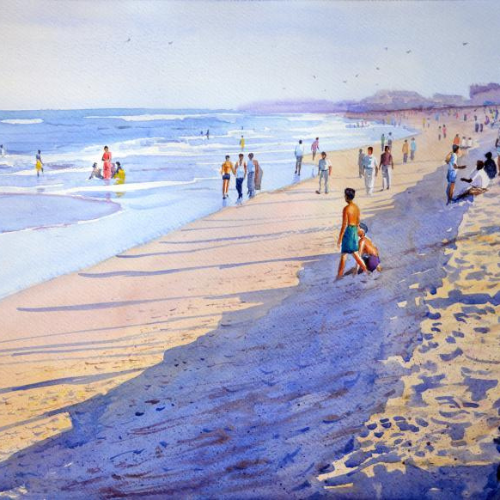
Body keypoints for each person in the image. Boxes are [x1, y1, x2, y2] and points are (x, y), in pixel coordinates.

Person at [337, 188, 369, 279]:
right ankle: (366, 271)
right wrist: (358, 232)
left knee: (346, 254)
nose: (344, 197)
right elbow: (358, 222)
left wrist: (340, 239)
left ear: (347, 197)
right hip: (355, 230)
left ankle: (339, 276)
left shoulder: (346, 208)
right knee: (353, 254)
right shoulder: (356, 208)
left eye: (345, 195)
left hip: (349, 231)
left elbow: (344, 225)